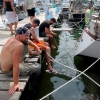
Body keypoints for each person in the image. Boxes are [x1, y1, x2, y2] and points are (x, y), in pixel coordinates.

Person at [0, 27, 41, 95]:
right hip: (8, 71)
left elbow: (27, 41)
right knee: (37, 67)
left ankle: (29, 54)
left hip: (2, 66)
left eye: (29, 35)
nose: (29, 37)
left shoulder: (13, 38)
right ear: (19, 35)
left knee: (25, 43)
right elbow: (16, 66)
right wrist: (15, 83)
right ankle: (32, 89)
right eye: (26, 35)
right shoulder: (19, 45)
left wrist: (36, 47)